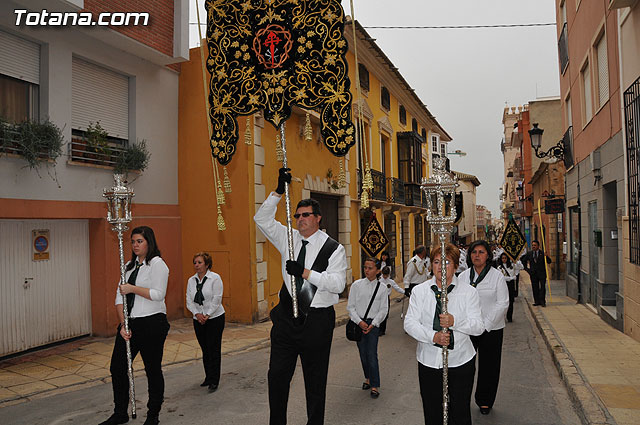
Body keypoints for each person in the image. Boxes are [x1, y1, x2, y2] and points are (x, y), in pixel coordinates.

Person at [254, 167, 347, 425]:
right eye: (297, 216)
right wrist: (277, 192)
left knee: (315, 382)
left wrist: (306, 273)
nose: (300, 219)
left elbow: (338, 283)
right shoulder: (289, 238)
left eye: (306, 215)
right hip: (286, 320)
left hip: (316, 321)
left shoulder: (333, 248)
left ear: (317, 218)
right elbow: (261, 220)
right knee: (277, 377)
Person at [404, 243, 484, 425]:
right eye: (437, 262)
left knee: (460, 411)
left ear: (456, 266)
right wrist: (433, 336)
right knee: (432, 411)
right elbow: (409, 323)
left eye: (446, 262)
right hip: (429, 361)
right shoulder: (420, 291)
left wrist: (455, 322)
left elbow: (478, 327)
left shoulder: (469, 292)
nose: (441, 267)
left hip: (461, 360)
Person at [99, 226, 170, 425]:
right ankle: (120, 412)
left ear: (149, 242)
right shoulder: (129, 265)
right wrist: (123, 324)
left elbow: (158, 294)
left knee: (152, 369)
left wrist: (132, 288)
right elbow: (118, 297)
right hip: (129, 323)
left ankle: (153, 414)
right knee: (118, 367)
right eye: (133, 241)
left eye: (140, 241)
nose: (135, 245)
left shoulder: (157, 265)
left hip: (152, 322)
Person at [459, 240, 509, 415]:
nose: (477, 255)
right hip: (468, 329)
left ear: (488, 255)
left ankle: (485, 400)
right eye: (474, 252)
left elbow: (502, 303)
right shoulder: (463, 277)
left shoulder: (497, 276)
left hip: (491, 329)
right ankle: (462, 398)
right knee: (464, 366)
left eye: (481, 252)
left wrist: (486, 324)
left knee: (489, 366)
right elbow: (458, 301)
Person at [347, 258, 390, 398]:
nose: (367, 270)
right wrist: (359, 322)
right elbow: (350, 307)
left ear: (378, 271)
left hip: (373, 324)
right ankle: (368, 378)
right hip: (358, 323)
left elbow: (383, 309)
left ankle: (375, 385)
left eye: (370, 268)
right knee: (363, 354)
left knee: (372, 354)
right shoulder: (356, 285)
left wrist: (373, 324)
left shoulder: (382, 288)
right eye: (365, 267)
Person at [186, 252, 225, 393]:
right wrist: (197, 314)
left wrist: (207, 315)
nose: (196, 265)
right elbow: (189, 300)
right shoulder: (191, 281)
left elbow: (217, 299)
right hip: (198, 319)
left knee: (214, 348)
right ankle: (208, 377)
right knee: (205, 349)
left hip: (215, 318)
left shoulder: (215, 279)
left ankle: (215, 380)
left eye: (199, 262)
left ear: (207, 264)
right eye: (195, 262)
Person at [521, 240, 552, 307]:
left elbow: (549, 262)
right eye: (532, 245)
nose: (533, 247)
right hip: (533, 273)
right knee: (535, 287)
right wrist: (527, 269)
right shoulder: (529, 253)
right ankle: (537, 301)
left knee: (542, 287)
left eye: (535, 245)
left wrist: (546, 256)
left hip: (542, 273)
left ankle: (542, 301)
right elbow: (524, 260)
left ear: (538, 246)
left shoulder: (542, 253)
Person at [497, 253, 522, 322]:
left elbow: (521, 267)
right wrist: (511, 278)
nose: (504, 259)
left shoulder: (512, 266)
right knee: (503, 301)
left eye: (505, 258)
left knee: (511, 301)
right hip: (503, 285)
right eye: (503, 258)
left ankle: (509, 316)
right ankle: (502, 316)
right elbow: (502, 278)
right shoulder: (499, 268)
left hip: (510, 285)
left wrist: (516, 261)